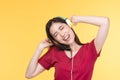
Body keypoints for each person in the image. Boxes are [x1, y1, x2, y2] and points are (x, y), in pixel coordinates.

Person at [25, 15, 109, 80]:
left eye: (61, 28)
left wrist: (79, 19)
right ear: (55, 40)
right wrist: (40, 48)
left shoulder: (91, 50)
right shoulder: (54, 53)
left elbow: (105, 22)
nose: (62, 34)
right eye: (56, 34)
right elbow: (29, 74)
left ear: (69, 25)